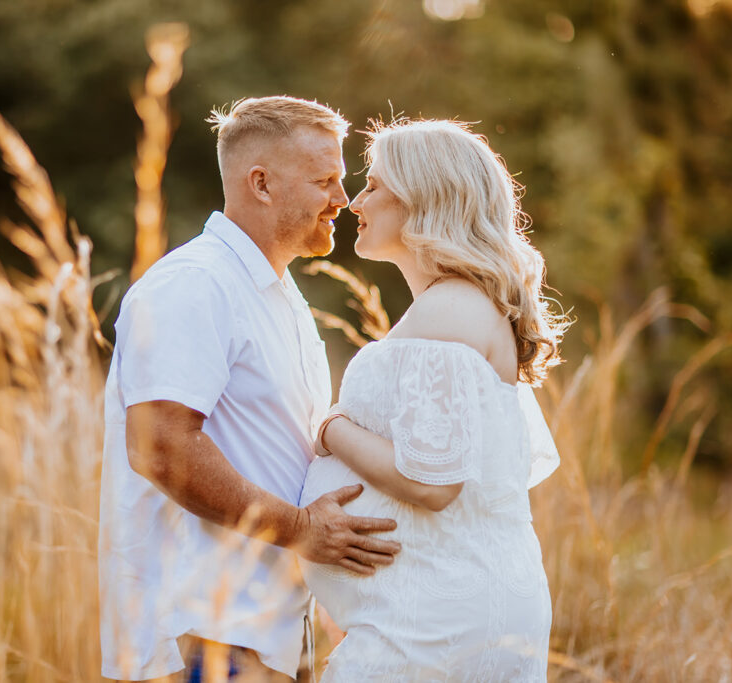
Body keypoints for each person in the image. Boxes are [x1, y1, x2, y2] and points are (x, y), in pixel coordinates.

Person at [99, 96, 403, 682]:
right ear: (261, 184)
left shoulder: (278, 297)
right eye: (326, 181)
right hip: (200, 637)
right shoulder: (194, 285)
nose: (343, 200)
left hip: (258, 635)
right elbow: (160, 446)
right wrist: (302, 531)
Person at [300, 119, 567, 681]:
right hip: (439, 605)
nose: (355, 202)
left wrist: (329, 428)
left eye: (373, 185)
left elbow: (432, 484)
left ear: (423, 198)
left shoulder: (449, 310)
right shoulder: (460, 306)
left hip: (433, 622)